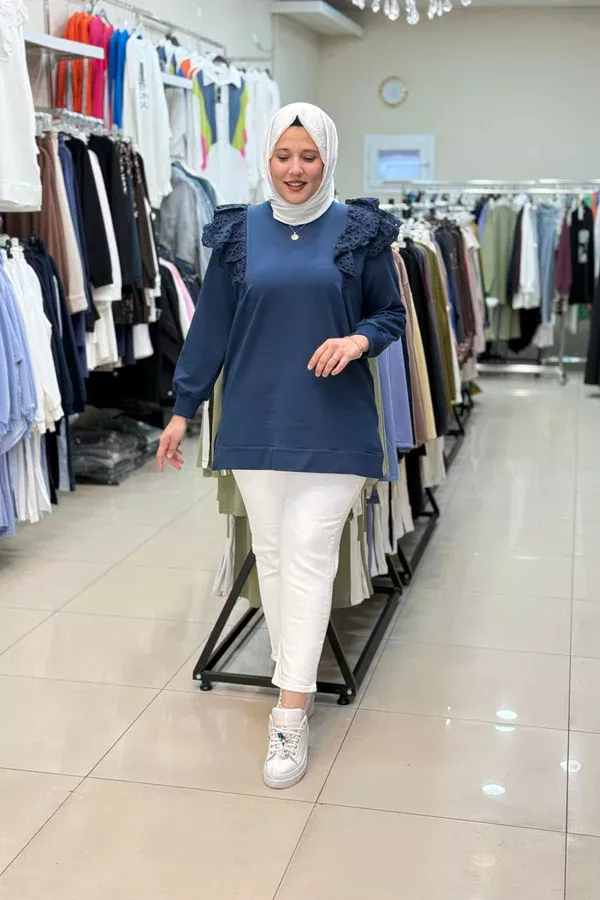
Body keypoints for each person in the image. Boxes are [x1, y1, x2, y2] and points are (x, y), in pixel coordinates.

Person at [157, 102, 405, 790]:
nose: (295, 170)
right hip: (254, 420)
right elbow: (210, 328)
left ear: (328, 158)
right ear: (267, 158)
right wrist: (181, 410)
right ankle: (290, 675)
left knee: (310, 556)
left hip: (335, 424)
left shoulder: (360, 231)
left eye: (309, 157)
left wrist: (358, 339)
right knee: (271, 555)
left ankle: (289, 714)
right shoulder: (239, 233)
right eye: (283, 156)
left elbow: (390, 312)